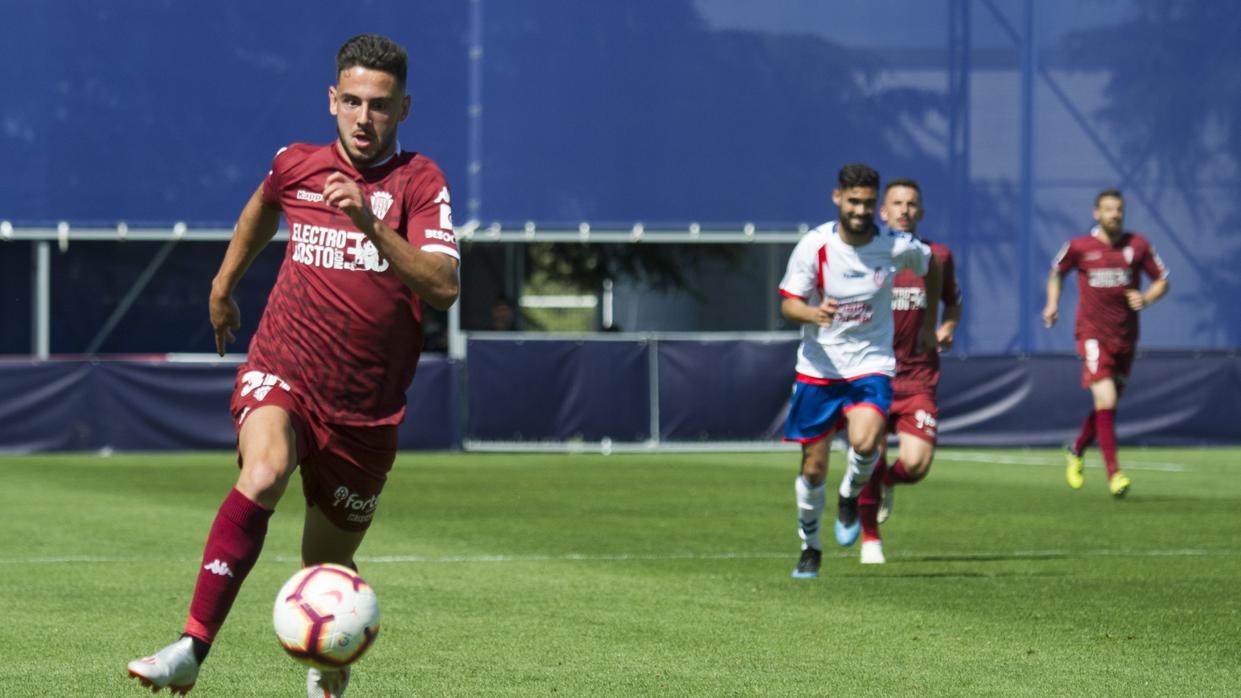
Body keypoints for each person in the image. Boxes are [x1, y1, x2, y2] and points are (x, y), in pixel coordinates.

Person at [126, 34, 460, 697]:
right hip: (285, 370)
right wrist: (223, 287)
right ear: (332, 100)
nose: (365, 118)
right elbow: (261, 208)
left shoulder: (421, 182)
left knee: (325, 565)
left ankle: (327, 665)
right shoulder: (295, 164)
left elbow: (443, 285)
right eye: (354, 102)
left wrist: (369, 222)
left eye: (382, 106)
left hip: (365, 410)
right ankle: (192, 647)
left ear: (404, 110)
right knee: (266, 470)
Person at [779, 163, 940, 579]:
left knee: (866, 442)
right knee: (813, 468)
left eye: (869, 203)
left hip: (870, 364)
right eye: (853, 201)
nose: (860, 210)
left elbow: (931, 265)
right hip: (819, 368)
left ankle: (850, 495)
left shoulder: (894, 244)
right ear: (838, 199)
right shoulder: (814, 245)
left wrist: (927, 322)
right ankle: (810, 546)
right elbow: (788, 303)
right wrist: (813, 312)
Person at [854, 178, 963, 565]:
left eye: (911, 204)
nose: (904, 210)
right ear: (882, 212)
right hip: (874, 372)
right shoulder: (867, 256)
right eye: (897, 203)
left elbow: (953, 303)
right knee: (869, 453)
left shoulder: (938, 256)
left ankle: (884, 483)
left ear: (921, 212)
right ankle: (870, 540)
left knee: (916, 465)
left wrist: (947, 327)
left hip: (919, 377)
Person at [1042, 188, 1168, 498]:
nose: (1115, 214)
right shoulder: (1079, 246)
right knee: (1107, 400)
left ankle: (1076, 449)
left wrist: (1147, 297)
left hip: (1125, 338)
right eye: (1108, 209)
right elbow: (1057, 273)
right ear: (1096, 214)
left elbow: (1163, 279)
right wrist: (1052, 304)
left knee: (1105, 406)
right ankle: (1115, 474)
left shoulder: (1137, 246)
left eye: (1119, 209)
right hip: (1092, 335)